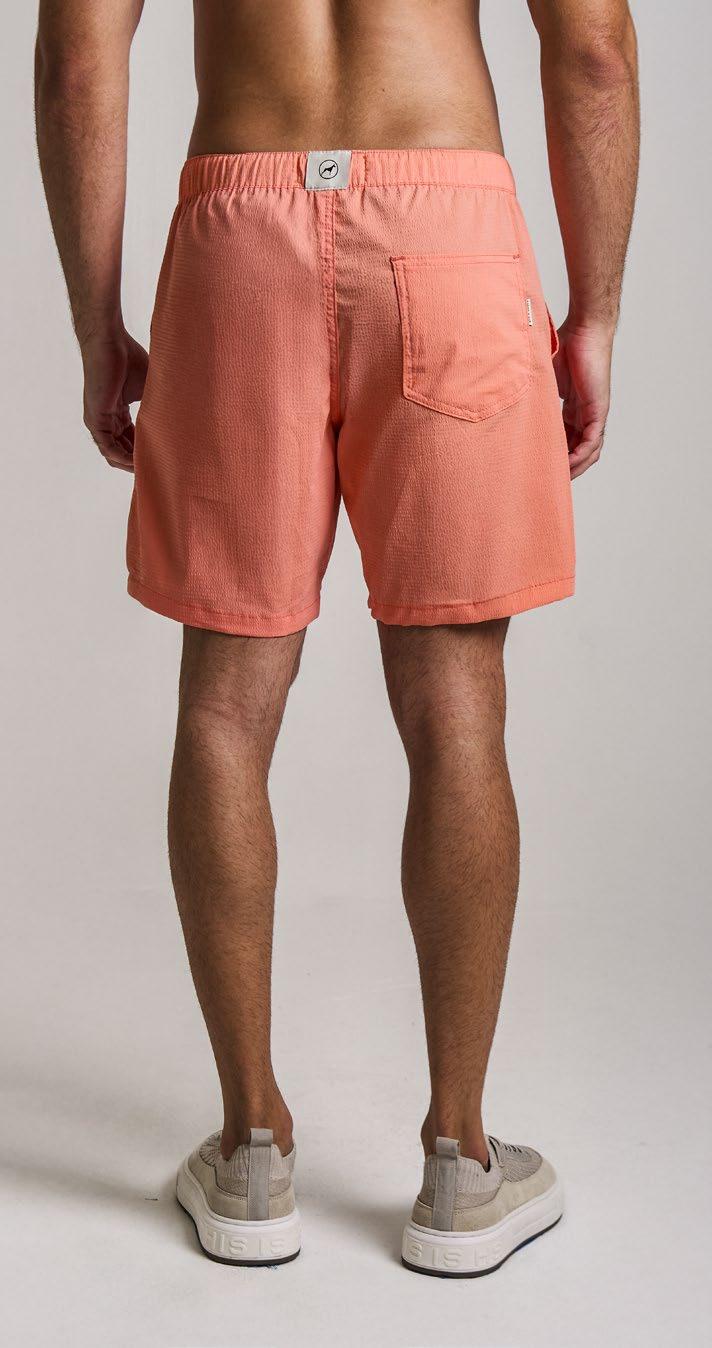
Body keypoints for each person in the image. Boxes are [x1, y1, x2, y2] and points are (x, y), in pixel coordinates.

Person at [35, 0, 639, 1275]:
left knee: (223, 707)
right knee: (457, 701)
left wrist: (95, 325)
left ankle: (251, 1150)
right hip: (446, 221)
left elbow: (80, 54)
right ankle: (460, 1162)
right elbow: (592, 44)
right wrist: (595, 311)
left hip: (240, 228)